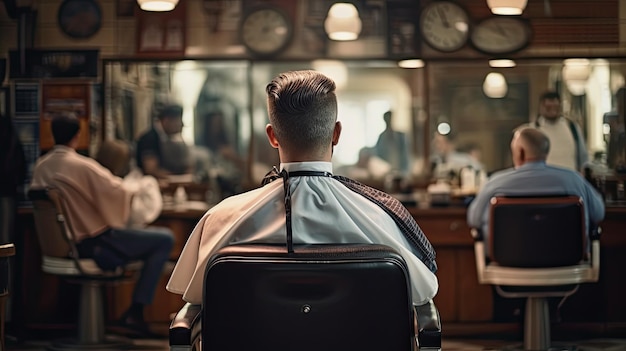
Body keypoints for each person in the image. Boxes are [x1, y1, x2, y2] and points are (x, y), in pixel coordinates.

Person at [167, 70, 438, 307]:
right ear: (337, 134)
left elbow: (195, 295)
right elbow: (423, 291)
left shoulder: (221, 219)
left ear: (272, 136)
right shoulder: (379, 217)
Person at [30, 113, 174, 337]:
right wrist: (143, 184)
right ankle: (135, 312)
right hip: (91, 242)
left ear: (53, 134)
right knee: (164, 238)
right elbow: (118, 191)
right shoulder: (82, 165)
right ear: (78, 136)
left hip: (63, 246)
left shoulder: (41, 166)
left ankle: (129, 310)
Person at [467, 127, 604, 256]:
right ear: (545, 152)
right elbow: (598, 213)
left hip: (508, 263)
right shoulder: (574, 181)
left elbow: (474, 219)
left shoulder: (495, 184)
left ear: (520, 152)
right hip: (567, 263)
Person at [96, 139, 163, 229]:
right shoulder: (112, 184)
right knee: (166, 237)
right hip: (112, 230)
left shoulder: (101, 179)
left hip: (110, 229)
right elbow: (138, 217)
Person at [518, 91, 588, 172]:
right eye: (548, 107)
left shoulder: (572, 128)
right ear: (541, 107)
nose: (552, 111)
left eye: (556, 107)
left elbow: (583, 158)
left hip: (568, 180)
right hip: (542, 180)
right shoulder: (532, 131)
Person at [136, 104, 193, 179]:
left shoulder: (169, 138)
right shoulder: (149, 139)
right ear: (167, 120)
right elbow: (151, 169)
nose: (181, 125)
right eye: (178, 121)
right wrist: (176, 178)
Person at [374, 110, 411, 175]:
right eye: (386, 119)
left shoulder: (400, 136)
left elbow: (405, 155)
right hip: (386, 173)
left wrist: (405, 172)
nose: (388, 120)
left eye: (389, 118)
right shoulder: (381, 137)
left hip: (400, 172)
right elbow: (378, 155)